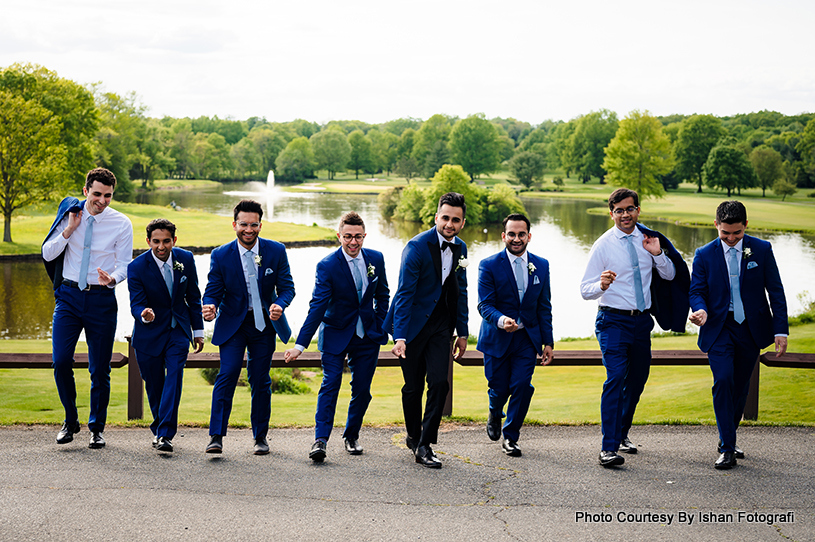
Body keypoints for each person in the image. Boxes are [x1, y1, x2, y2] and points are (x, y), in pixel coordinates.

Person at [580, 188, 689, 467]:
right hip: (612, 320)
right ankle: (608, 448)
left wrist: (658, 255)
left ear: (637, 210)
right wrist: (601, 285)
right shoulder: (603, 245)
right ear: (611, 213)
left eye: (630, 209)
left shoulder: (649, 239)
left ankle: (622, 433)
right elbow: (584, 290)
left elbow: (670, 275)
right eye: (619, 210)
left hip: (641, 322)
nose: (625, 214)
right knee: (616, 377)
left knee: (637, 381)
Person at [689, 201, 788, 470]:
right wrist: (700, 310)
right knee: (723, 380)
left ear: (746, 225)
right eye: (725, 234)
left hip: (751, 329)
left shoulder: (762, 249)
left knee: (741, 387)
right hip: (719, 328)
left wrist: (780, 330)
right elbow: (696, 290)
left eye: (737, 233)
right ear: (716, 226)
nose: (731, 239)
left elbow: (775, 291)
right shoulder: (703, 254)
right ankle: (728, 448)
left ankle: (727, 439)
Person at [283, 212, 389, 462]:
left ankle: (351, 436)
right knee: (330, 385)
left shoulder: (376, 258)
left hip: (367, 336)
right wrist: (300, 345)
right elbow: (317, 306)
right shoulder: (327, 265)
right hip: (335, 334)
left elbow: (383, 295)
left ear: (365, 236)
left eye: (358, 237)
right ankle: (320, 441)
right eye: (348, 237)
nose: (353, 242)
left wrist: (384, 328)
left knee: (362, 390)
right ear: (339, 236)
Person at [42, 167, 133, 449]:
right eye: (97, 194)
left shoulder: (121, 223)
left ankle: (97, 427)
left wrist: (113, 278)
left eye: (108, 196)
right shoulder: (70, 214)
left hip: (101, 300)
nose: (102, 201)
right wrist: (69, 230)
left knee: (99, 369)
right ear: (86, 191)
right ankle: (70, 421)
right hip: (68, 297)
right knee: (60, 362)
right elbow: (47, 253)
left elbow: (125, 264)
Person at [202, 200, 294, 455]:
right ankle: (216, 436)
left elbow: (287, 288)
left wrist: (279, 304)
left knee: (260, 379)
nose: (249, 229)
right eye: (244, 224)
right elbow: (213, 290)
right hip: (233, 324)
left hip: (264, 325)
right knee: (228, 373)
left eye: (254, 224)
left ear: (260, 225)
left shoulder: (276, 251)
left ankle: (260, 437)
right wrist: (209, 306)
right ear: (234, 225)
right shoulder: (220, 254)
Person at [384, 192, 469, 468]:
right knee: (412, 387)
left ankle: (425, 444)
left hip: (441, 326)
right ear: (436, 218)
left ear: (462, 222)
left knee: (440, 383)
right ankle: (413, 434)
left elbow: (462, 290)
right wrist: (400, 336)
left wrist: (463, 331)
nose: (450, 224)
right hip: (411, 325)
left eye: (455, 220)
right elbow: (405, 293)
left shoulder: (461, 249)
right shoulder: (416, 247)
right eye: (445, 218)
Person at [477, 214, 554, 457]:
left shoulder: (541, 265)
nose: (517, 239)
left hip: (526, 339)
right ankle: (494, 410)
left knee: (522, 385)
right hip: (497, 338)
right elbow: (484, 305)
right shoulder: (488, 265)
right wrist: (502, 320)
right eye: (512, 234)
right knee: (498, 388)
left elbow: (544, 306)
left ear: (529, 236)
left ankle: (511, 437)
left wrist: (548, 341)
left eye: (521, 234)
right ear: (504, 236)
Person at [128, 219, 205, 453]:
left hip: (178, 331)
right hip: (148, 334)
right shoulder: (136, 267)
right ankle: (159, 427)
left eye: (166, 241)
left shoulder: (186, 259)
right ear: (148, 241)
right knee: (154, 385)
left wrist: (198, 331)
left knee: (174, 377)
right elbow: (135, 303)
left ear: (174, 240)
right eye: (156, 241)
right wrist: (144, 313)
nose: (161, 246)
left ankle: (165, 435)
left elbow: (193, 297)